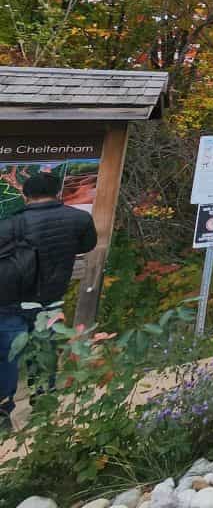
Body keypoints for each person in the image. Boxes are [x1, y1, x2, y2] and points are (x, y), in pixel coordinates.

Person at [0, 171, 98, 432]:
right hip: (50, 302)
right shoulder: (79, 219)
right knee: (43, 355)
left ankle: (2, 414)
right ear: (57, 192)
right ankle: (44, 410)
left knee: (6, 357)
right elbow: (87, 246)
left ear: (26, 195)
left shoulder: (12, 224)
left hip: (11, 303)